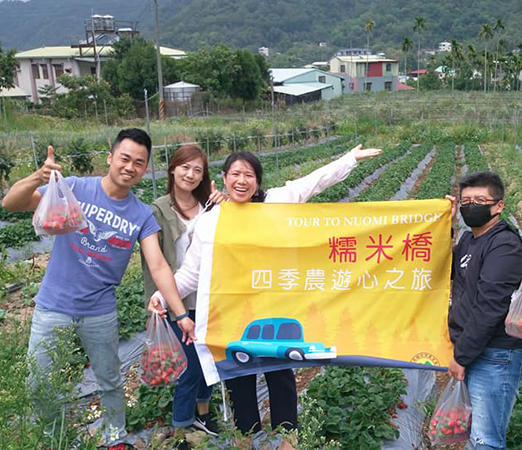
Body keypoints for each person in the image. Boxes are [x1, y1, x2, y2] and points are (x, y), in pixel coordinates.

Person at [148, 144, 382, 449]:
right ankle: (246, 436)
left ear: (258, 180)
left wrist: (349, 159)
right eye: (235, 174)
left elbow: (315, 181)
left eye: (249, 175)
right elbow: (191, 274)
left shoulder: (275, 202)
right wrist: (162, 296)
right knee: (237, 376)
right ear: (224, 178)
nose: (241, 181)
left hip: (273, 310)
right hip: (230, 313)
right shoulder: (212, 220)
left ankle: (288, 438)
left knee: (280, 374)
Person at [2, 128, 195, 450]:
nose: (130, 167)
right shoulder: (75, 188)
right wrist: (38, 177)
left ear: (145, 169)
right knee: (39, 382)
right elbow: (12, 203)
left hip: (99, 312)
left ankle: (115, 438)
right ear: (110, 158)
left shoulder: (141, 214)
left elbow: (159, 265)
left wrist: (180, 314)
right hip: (53, 306)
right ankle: (53, 439)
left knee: (109, 380)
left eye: (139, 162)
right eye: (124, 158)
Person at [140, 145, 226, 449]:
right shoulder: (157, 209)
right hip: (176, 303)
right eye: (185, 167)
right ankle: (181, 428)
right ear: (172, 170)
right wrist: (161, 299)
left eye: (198, 170)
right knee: (190, 368)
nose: (190, 174)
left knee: (209, 362)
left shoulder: (211, 205)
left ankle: (203, 413)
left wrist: (225, 202)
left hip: (209, 299)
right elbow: (156, 263)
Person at [445, 171, 522, 450]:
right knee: (478, 436)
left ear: (499, 206)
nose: (472, 206)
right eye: (466, 200)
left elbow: (490, 307)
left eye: (480, 200)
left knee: (485, 441)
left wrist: (462, 355)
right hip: (479, 349)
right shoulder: (471, 239)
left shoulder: (503, 245)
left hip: (496, 355)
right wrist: (444, 224)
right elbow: (445, 267)